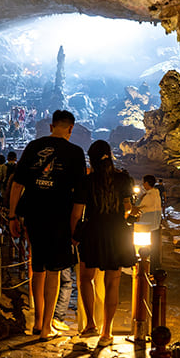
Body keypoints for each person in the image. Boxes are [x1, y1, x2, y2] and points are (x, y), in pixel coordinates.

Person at [9, 110, 86, 339]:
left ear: (52, 126)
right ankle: (46, 328)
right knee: (54, 271)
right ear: (71, 129)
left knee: (37, 268)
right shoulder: (75, 153)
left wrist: (13, 216)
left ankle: (38, 319)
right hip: (59, 218)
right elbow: (80, 196)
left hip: (33, 215)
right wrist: (75, 226)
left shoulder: (33, 147)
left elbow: (17, 184)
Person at [71, 140, 136, 346]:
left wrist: (74, 235)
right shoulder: (123, 178)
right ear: (110, 155)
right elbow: (127, 208)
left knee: (86, 278)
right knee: (112, 282)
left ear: (91, 158)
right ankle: (106, 332)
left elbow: (76, 214)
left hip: (93, 232)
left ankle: (90, 324)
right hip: (117, 233)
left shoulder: (86, 181)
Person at [132, 175, 163, 267]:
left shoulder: (149, 195)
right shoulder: (156, 193)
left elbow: (138, 206)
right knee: (154, 249)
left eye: (143, 182)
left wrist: (140, 198)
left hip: (147, 226)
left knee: (145, 249)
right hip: (155, 225)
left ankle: (145, 268)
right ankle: (153, 268)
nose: (142, 184)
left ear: (146, 183)